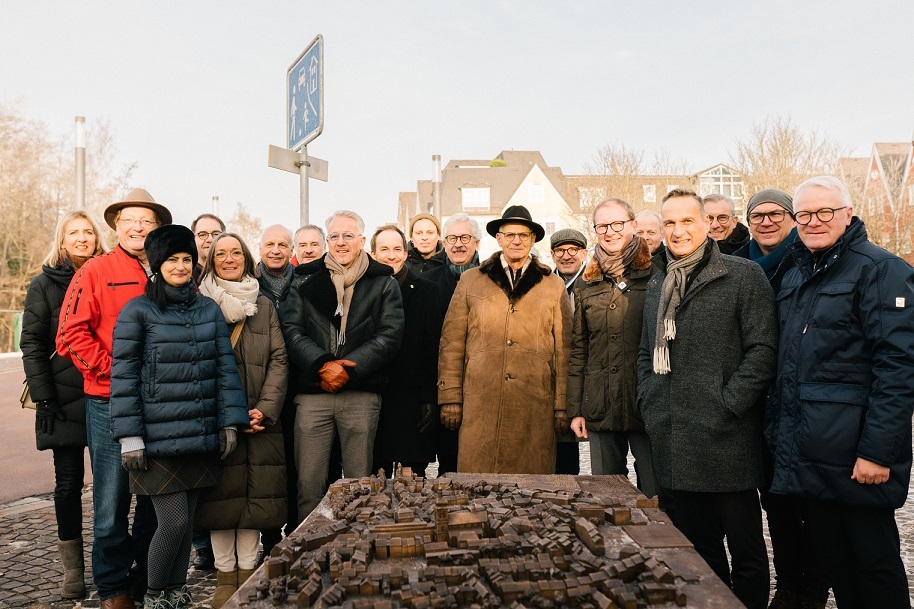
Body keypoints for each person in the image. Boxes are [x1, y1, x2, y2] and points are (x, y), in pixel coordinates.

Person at [767, 176, 914, 609]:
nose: (814, 222)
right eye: (805, 214)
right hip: (813, 450)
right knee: (836, 561)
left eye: (824, 212)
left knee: (874, 562)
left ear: (848, 214)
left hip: (856, 453)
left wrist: (878, 452)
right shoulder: (797, 273)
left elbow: (899, 367)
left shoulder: (881, 270)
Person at [637, 189, 777, 609]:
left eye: (687, 222)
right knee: (699, 548)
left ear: (706, 225)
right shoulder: (659, 280)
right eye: (670, 224)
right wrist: (651, 399)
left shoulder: (742, 275)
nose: (678, 231)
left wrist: (728, 403)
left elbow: (763, 350)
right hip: (674, 434)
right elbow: (647, 351)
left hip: (726, 436)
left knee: (746, 549)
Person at [109, 224, 248, 609]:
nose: (181, 266)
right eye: (172, 260)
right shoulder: (137, 310)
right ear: (157, 265)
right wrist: (129, 436)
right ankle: (155, 594)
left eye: (187, 259)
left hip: (201, 432)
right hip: (156, 438)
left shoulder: (207, 308)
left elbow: (225, 369)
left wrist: (228, 421)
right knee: (169, 522)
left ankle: (175, 591)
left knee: (186, 524)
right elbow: (122, 377)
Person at [57, 188, 168, 609]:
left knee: (155, 500)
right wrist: (112, 370)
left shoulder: (169, 271)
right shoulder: (96, 270)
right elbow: (70, 334)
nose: (138, 227)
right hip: (108, 402)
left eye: (147, 221)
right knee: (111, 501)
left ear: (156, 228)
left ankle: (143, 580)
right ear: (117, 226)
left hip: (160, 404)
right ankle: (112, 588)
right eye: (130, 220)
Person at [281, 210, 405, 518]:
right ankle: (307, 549)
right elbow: (291, 330)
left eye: (348, 235)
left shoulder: (383, 282)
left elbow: (390, 335)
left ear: (362, 241)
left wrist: (348, 367)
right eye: (334, 236)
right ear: (327, 241)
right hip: (314, 393)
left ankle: (357, 548)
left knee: (360, 484)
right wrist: (322, 364)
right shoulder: (304, 278)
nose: (340, 242)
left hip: (361, 392)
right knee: (309, 482)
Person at [735, 189, 823, 608]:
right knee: (775, 503)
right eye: (757, 215)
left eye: (775, 214)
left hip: (799, 399)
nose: (766, 222)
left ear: (791, 218)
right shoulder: (739, 263)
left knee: (807, 504)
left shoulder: (804, 261)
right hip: (759, 403)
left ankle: (810, 590)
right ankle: (788, 586)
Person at [438, 205, 572, 474]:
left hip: (534, 403)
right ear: (498, 239)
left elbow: (565, 349)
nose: (516, 240)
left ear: (533, 239)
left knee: (533, 491)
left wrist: (562, 404)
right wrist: (450, 396)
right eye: (509, 234)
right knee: (477, 488)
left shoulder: (552, 285)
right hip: (481, 403)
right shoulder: (471, 280)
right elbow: (451, 343)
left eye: (523, 235)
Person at [196, 232, 289, 608]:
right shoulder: (199, 302)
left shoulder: (263, 304)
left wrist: (265, 409)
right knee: (220, 500)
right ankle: (223, 576)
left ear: (246, 258)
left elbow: (279, 359)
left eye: (236, 252)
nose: (229, 259)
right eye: (221, 254)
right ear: (212, 260)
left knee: (254, 499)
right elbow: (196, 365)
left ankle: (248, 573)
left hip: (260, 419)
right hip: (218, 419)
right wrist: (229, 415)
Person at [20, 211, 105, 599]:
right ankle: (73, 570)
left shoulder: (107, 274)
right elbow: (33, 343)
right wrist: (44, 398)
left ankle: (111, 561)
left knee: (113, 485)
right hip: (61, 397)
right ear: (62, 238)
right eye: (74, 232)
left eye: (88, 231)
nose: (82, 238)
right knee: (68, 484)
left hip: (104, 391)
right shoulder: (43, 284)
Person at [568, 199, 657, 496]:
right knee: (607, 495)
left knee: (657, 493)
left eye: (617, 224)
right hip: (600, 404)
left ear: (633, 225)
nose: (610, 232)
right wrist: (576, 410)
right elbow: (579, 349)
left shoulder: (657, 276)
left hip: (646, 402)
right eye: (602, 226)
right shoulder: (586, 283)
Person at [370, 224, 442, 478]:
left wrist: (430, 398)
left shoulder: (428, 292)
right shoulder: (362, 291)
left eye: (397, 249)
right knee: (375, 487)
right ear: (373, 254)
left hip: (412, 404)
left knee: (412, 488)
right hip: (375, 401)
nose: (391, 255)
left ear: (405, 252)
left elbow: (433, 348)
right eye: (384, 249)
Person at [420, 213, 481, 475]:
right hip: (441, 386)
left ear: (476, 242)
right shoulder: (427, 282)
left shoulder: (492, 279)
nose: (458, 244)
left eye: (465, 237)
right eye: (452, 238)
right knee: (449, 464)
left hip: (482, 386)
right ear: (444, 244)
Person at [549, 228, 589, 476]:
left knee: (569, 457)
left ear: (584, 253)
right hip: (547, 378)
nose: (567, 256)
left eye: (573, 250)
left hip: (581, 376)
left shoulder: (594, 283)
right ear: (552, 255)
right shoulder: (543, 284)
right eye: (560, 251)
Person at [258, 224, 295, 312]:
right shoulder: (248, 282)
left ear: (291, 251)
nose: (275, 251)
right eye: (269, 244)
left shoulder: (303, 283)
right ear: (260, 250)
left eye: (282, 245)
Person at [191, 213, 226, 283]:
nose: (210, 240)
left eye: (216, 234)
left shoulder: (235, 274)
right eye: (202, 235)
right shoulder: (185, 277)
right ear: (193, 239)